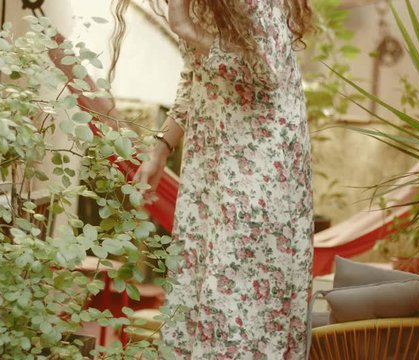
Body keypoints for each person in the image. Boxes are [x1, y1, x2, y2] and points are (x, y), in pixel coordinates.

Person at [113, 0, 314, 358]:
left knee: (240, 304)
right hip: (211, 171)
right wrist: (162, 146)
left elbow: (267, 70)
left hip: (258, 170)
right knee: (200, 296)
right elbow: (195, 71)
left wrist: (189, 28)